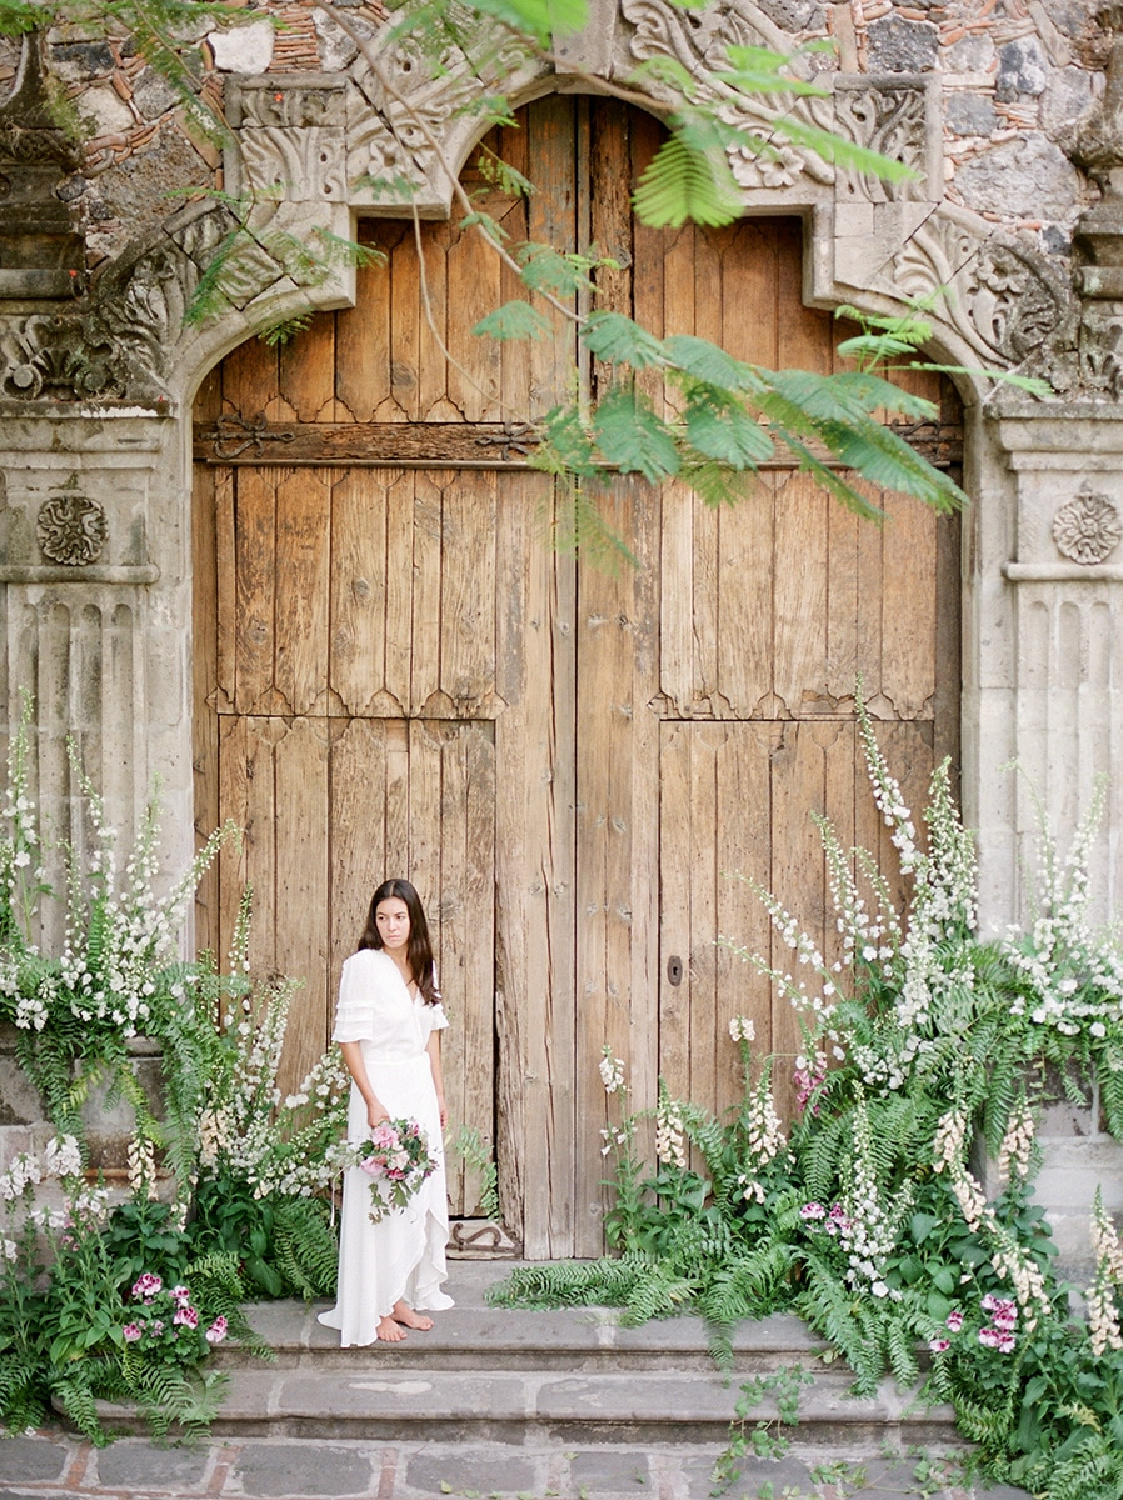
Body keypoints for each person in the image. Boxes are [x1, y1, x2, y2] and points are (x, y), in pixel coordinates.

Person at [318, 879, 454, 1345]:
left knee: (414, 1195)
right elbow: (348, 1040)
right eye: (382, 917)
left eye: (399, 917)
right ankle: (371, 1309)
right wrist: (372, 1100)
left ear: (412, 919)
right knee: (379, 1197)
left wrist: (438, 1093)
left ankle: (396, 1297)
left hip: (416, 1089)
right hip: (379, 1092)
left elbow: (432, 1033)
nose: (390, 926)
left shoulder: (424, 965)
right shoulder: (363, 967)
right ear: (374, 920)